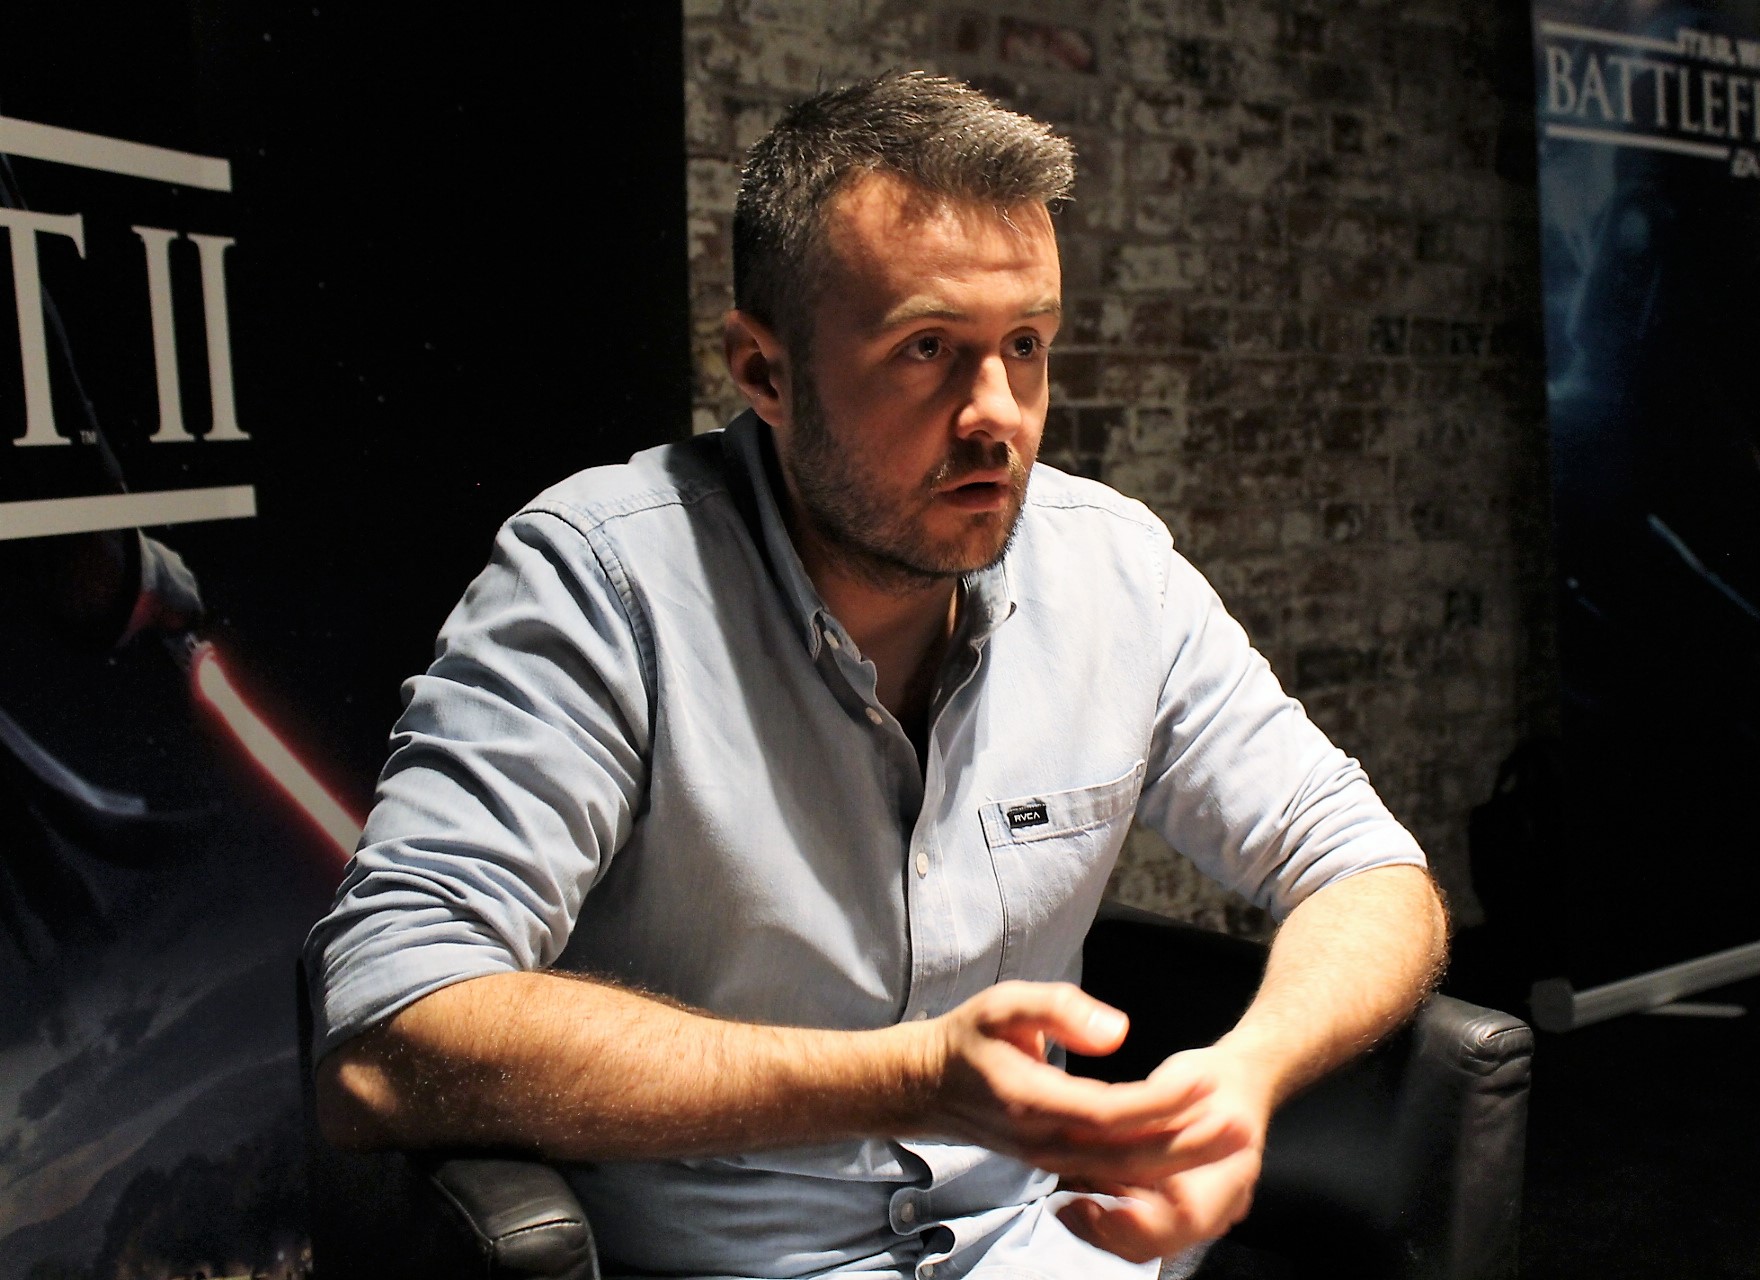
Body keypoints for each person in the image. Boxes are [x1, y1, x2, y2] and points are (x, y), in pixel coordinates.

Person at [305, 72, 1447, 1280]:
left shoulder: (1115, 571)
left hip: (1047, 1250)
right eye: (927, 350)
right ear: (763, 370)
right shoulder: (602, 582)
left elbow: (1372, 869)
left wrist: (1239, 1079)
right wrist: (901, 1080)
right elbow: (388, 1028)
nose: (998, 414)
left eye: (1026, 345)